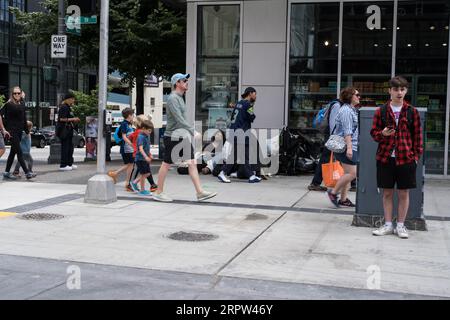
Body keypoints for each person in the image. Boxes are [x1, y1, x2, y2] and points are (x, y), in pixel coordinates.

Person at [371, 76, 423, 239]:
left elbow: (418, 136)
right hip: (386, 158)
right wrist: (382, 133)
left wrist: (416, 156)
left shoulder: (411, 111)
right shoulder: (382, 111)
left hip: (406, 158)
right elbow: (374, 133)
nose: (399, 92)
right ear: (390, 91)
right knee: (386, 193)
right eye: (396, 89)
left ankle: (400, 226)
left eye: (402, 89)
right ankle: (387, 225)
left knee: (403, 193)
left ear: (406, 90)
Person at [152, 73, 217, 202]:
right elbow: (179, 119)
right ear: (177, 83)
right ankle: (158, 192)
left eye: (187, 80)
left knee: (192, 163)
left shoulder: (180, 98)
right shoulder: (173, 99)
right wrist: (193, 131)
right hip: (173, 136)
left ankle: (200, 192)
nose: (187, 82)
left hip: (181, 136)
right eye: (184, 80)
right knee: (166, 164)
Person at [217, 87, 262, 183]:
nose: (256, 96)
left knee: (242, 155)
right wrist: (252, 108)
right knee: (238, 155)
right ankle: (223, 172)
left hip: (235, 131)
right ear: (250, 94)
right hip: (241, 132)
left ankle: (251, 176)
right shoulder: (248, 105)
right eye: (255, 94)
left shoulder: (239, 103)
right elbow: (252, 117)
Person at [326, 87, 361, 208]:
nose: (359, 97)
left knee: (347, 173)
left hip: (350, 145)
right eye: (357, 95)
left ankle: (343, 199)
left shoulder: (352, 110)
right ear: (350, 97)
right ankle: (333, 193)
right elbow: (347, 131)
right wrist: (350, 148)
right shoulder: (346, 111)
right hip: (346, 146)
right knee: (352, 174)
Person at [308, 99, 342, 191]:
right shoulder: (337, 105)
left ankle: (349, 182)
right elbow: (333, 124)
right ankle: (315, 183)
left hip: (334, 137)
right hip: (333, 137)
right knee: (326, 158)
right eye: (356, 95)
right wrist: (334, 139)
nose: (358, 97)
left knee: (328, 158)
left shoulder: (339, 105)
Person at [0, 86, 33, 180]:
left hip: (19, 132)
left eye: (18, 93)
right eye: (15, 93)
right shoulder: (9, 104)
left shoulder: (22, 104)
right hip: (11, 132)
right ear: (12, 94)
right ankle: (27, 173)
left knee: (12, 153)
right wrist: (3, 129)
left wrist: (27, 131)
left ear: (21, 93)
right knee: (19, 152)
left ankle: (6, 172)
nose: (17, 95)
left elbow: (24, 119)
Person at [107, 107, 135, 191]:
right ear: (129, 115)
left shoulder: (128, 124)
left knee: (130, 165)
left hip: (128, 148)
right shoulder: (124, 124)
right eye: (132, 115)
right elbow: (124, 136)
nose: (133, 116)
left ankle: (125, 181)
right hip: (126, 148)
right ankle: (125, 181)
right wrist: (131, 144)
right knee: (130, 164)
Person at [128, 114, 158, 192]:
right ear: (144, 128)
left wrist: (150, 155)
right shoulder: (141, 136)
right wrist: (146, 157)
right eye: (149, 131)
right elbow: (141, 149)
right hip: (140, 159)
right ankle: (141, 189)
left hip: (143, 159)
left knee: (146, 174)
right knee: (144, 174)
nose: (150, 132)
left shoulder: (146, 136)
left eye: (151, 131)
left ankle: (134, 183)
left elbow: (146, 148)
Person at [57, 92, 80, 171]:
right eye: (72, 99)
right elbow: (61, 119)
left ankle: (69, 163)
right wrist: (73, 119)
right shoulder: (63, 107)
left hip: (69, 130)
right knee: (65, 147)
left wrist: (74, 121)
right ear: (68, 99)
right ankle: (63, 165)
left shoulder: (69, 107)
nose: (73, 101)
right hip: (64, 130)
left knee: (70, 147)